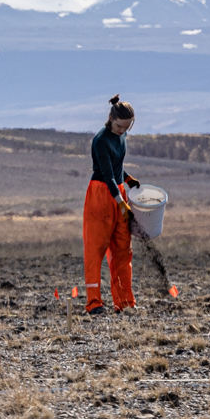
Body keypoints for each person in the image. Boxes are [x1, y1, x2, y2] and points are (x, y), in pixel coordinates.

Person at [83, 95, 139, 315]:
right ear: (110, 119)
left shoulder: (121, 136)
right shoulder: (101, 140)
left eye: (126, 127)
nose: (121, 130)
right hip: (101, 194)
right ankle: (94, 303)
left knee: (122, 250)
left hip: (118, 192)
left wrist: (127, 179)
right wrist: (120, 202)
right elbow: (106, 173)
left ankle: (125, 302)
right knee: (96, 249)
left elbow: (116, 167)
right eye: (118, 126)